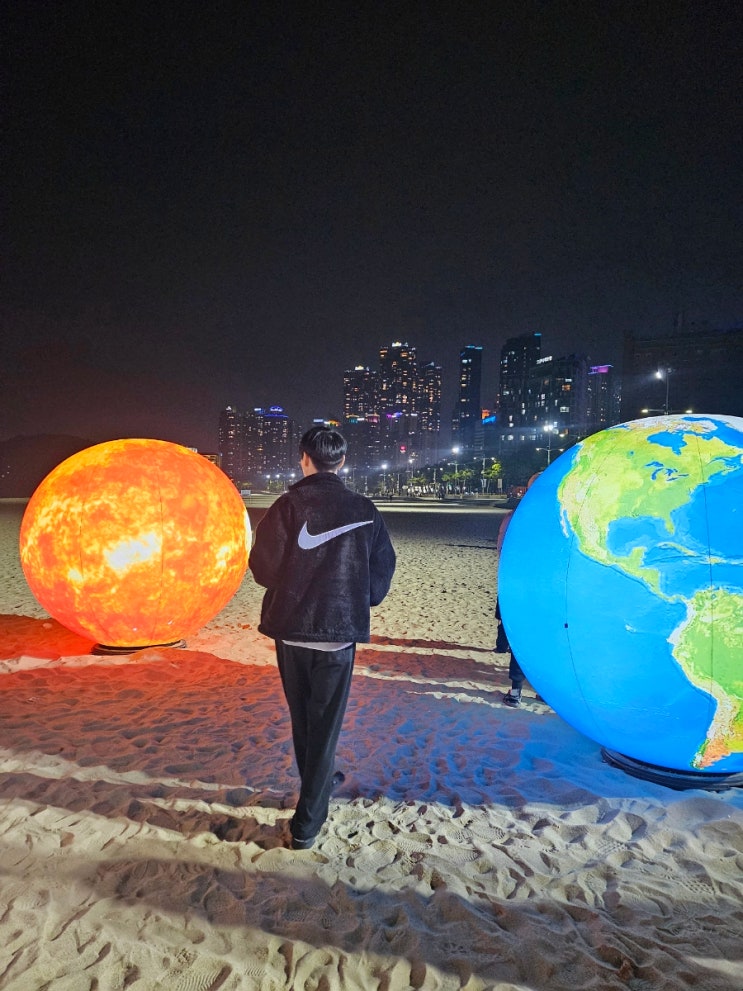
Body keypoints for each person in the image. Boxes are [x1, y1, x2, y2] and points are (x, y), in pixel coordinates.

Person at [249, 426, 396, 850]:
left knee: (304, 720)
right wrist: (362, 597)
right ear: (342, 462)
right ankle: (308, 821)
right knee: (325, 725)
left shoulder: (287, 506)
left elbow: (263, 568)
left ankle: (315, 788)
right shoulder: (363, 508)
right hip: (338, 633)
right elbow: (382, 568)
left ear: (304, 459)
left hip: (293, 632)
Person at [494, 507, 526, 706]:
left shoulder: (514, 516)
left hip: (517, 582)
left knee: (519, 637)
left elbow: (501, 546)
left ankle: (516, 691)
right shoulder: (553, 517)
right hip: (546, 587)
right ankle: (542, 690)